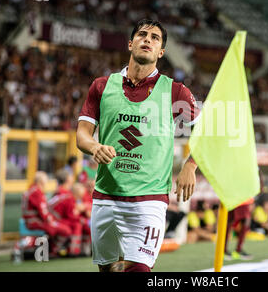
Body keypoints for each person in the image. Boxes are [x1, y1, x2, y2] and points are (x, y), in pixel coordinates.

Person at [76, 19, 199, 272]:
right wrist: (94, 147)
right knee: (107, 269)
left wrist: (190, 166)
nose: (148, 40)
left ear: (161, 52)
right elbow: (82, 135)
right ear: (131, 43)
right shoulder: (101, 86)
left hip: (150, 198)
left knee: (139, 269)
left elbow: (206, 132)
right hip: (106, 195)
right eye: (142, 35)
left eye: (155, 38)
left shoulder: (175, 91)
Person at [21, 171, 71, 256]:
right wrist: (51, 220)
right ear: (41, 181)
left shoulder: (32, 190)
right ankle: (53, 251)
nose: (46, 183)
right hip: (35, 222)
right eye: (46, 180)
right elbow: (43, 212)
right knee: (65, 230)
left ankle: (48, 249)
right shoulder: (37, 192)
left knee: (60, 228)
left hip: (32, 221)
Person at [48, 169, 82, 256]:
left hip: (53, 219)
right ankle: (73, 250)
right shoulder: (66, 194)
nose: (72, 178)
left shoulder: (58, 191)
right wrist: (79, 213)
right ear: (67, 179)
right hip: (55, 220)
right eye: (70, 176)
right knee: (77, 224)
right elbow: (71, 215)